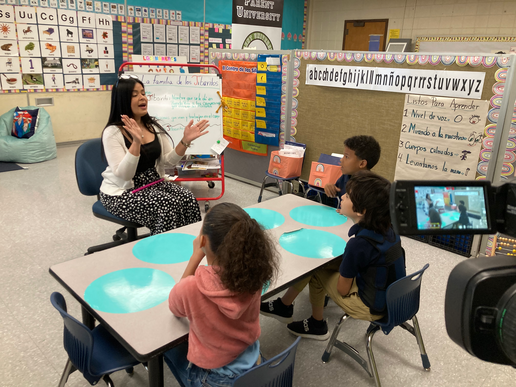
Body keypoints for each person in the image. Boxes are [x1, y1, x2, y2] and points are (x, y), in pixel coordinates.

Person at [261, 171, 406, 340]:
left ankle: (316, 324)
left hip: (370, 307)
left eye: (349, 196)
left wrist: (343, 268)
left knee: (315, 270)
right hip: (394, 299)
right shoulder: (388, 231)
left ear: (361, 211)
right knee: (327, 263)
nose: (343, 196)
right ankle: (284, 305)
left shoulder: (358, 245)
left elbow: (342, 289)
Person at [164, 202, 279, 386]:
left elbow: (174, 306)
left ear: (203, 242)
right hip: (255, 365)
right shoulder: (255, 273)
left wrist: (195, 256)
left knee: (167, 348)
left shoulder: (191, 287)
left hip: (216, 379)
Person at [99, 75, 209, 235]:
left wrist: (185, 141)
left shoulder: (152, 126)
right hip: (122, 193)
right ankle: (164, 252)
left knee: (187, 198)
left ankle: (187, 246)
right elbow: (124, 175)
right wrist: (136, 142)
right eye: (134, 95)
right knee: (167, 205)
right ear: (123, 100)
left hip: (153, 183)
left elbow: (168, 162)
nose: (142, 98)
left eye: (143, 93)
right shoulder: (112, 132)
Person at [323, 135, 381, 199]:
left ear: (362, 164)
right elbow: (337, 192)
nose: (341, 159)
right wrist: (330, 188)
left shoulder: (370, 189)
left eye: (346, 157)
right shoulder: (346, 177)